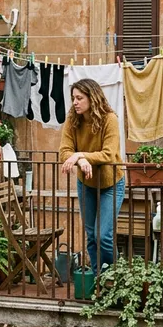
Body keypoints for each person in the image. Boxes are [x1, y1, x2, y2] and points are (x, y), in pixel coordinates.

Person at [59, 78, 125, 274]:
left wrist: (80, 154)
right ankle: (98, 280)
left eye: (79, 98)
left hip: (111, 182)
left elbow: (109, 153)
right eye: (73, 98)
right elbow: (64, 152)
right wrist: (81, 161)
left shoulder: (109, 119)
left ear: (92, 98)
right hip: (86, 183)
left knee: (103, 235)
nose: (75, 102)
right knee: (90, 235)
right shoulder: (73, 120)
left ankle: (113, 276)